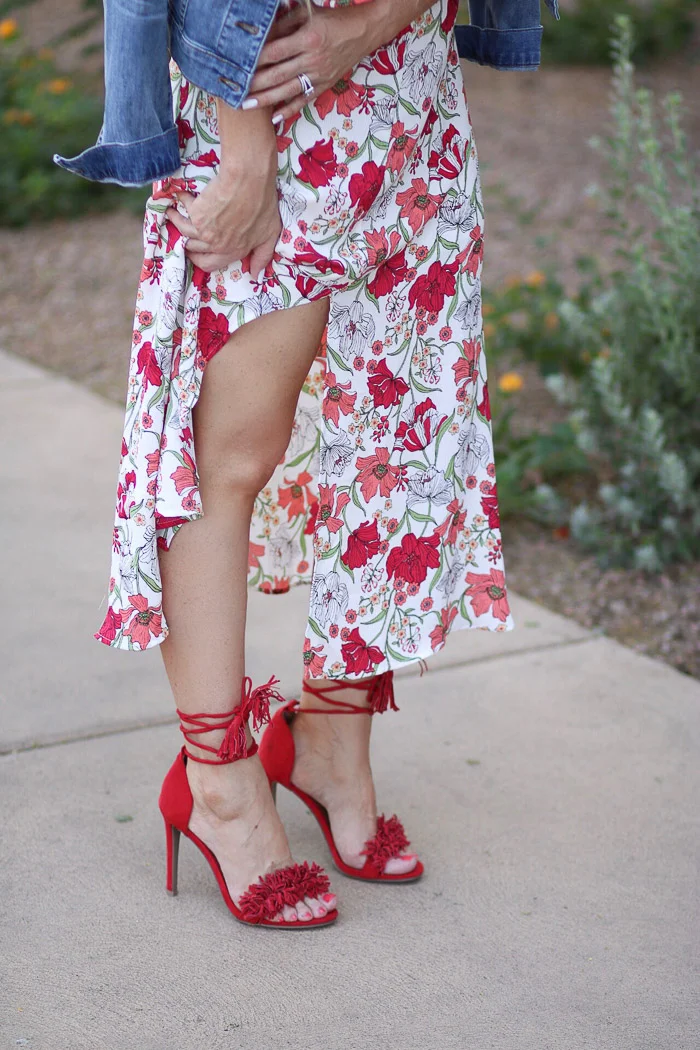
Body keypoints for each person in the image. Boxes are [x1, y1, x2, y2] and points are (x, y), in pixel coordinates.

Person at [57, 0, 558, 928]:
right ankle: (218, 787)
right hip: (267, 102)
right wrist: (245, 149)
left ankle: (332, 742)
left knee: (396, 434)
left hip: (411, 89)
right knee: (229, 454)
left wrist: (376, 28)